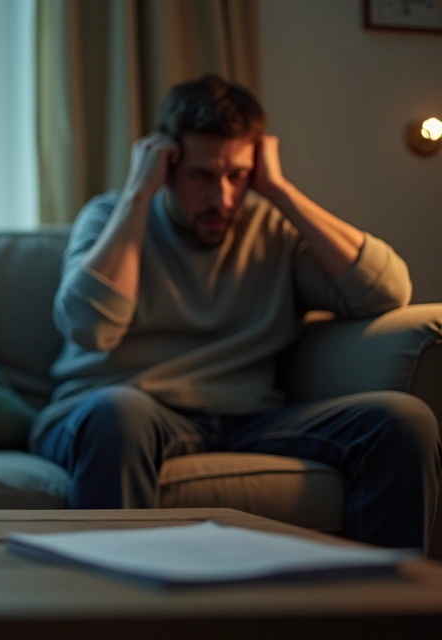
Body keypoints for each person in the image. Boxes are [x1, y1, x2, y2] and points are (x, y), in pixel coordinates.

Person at [32, 74, 441, 550]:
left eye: (237, 175)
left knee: (402, 420)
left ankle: (386, 596)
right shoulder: (110, 216)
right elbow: (90, 329)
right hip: (120, 411)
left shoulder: (273, 229)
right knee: (116, 413)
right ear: (166, 163)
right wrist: (138, 194)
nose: (222, 198)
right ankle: (118, 594)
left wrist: (279, 189)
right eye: (201, 176)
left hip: (249, 418)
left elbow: (386, 293)